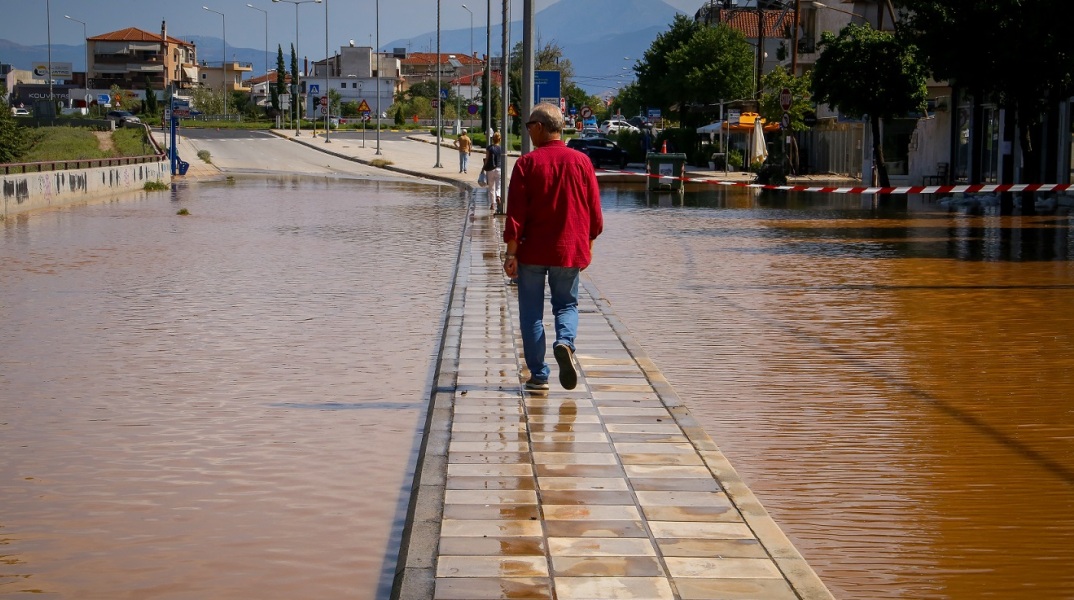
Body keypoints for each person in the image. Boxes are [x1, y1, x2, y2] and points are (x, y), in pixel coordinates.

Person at [502, 103, 603, 391]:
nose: (528, 131)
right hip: (568, 250)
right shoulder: (582, 162)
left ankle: (539, 376)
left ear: (540, 127)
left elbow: (516, 215)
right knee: (567, 305)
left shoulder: (526, 164)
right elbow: (594, 212)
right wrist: (590, 244)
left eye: (529, 126)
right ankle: (564, 343)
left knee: (531, 313)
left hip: (531, 252)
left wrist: (511, 254)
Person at [484, 132, 503, 212]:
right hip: (499, 169)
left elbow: (487, 159)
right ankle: (498, 196)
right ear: (500, 139)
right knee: (498, 185)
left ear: (493, 139)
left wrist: (483, 168)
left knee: (491, 187)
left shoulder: (489, 148)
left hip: (490, 169)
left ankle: (492, 204)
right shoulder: (501, 148)